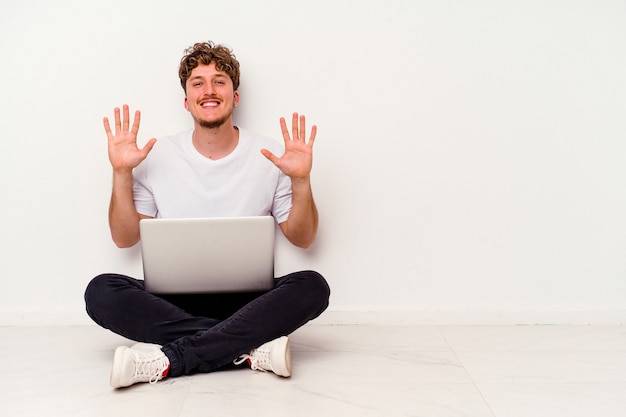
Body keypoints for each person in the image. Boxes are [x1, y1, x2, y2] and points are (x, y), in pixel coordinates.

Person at [84, 41, 330, 389]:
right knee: (101, 291)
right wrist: (121, 172)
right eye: (198, 82)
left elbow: (303, 238)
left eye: (219, 80)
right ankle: (248, 349)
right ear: (187, 100)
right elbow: (124, 238)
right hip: (172, 302)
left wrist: (301, 180)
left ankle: (170, 359)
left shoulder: (272, 155)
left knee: (312, 287)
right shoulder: (157, 154)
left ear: (235, 96)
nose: (209, 90)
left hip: (249, 302)